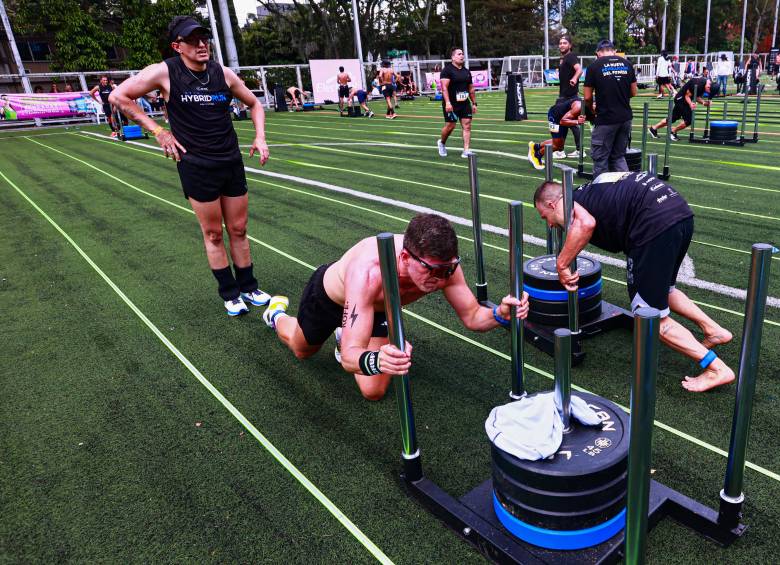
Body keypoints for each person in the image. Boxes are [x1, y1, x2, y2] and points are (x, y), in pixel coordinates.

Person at [261, 214, 530, 401]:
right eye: (432, 270)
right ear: (404, 257)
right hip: (331, 297)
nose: (439, 278)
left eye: (447, 268)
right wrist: (376, 358)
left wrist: (500, 314)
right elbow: (351, 357)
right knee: (301, 350)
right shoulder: (369, 272)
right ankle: (277, 314)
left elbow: (473, 317)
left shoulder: (445, 268)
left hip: (378, 308)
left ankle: (349, 331)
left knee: (373, 391)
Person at [109, 15, 272, 316]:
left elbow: (254, 103)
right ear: (177, 45)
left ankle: (249, 287)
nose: (201, 44)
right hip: (196, 165)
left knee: (238, 228)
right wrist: (158, 132)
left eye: (204, 38)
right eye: (192, 39)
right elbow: (118, 96)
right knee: (212, 233)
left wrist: (260, 136)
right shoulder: (164, 72)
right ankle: (230, 293)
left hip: (230, 160)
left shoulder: (222, 73)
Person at [534, 175, 735, 393]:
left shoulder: (567, 202)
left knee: (648, 317)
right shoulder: (590, 192)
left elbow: (586, 223)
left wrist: (562, 265)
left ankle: (716, 368)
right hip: (680, 213)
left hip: (652, 225)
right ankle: (713, 330)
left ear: (553, 204)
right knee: (664, 290)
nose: (551, 224)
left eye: (545, 216)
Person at [583, 39, 637, 178]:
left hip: (605, 119)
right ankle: (626, 190)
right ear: (614, 51)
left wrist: (591, 110)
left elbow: (587, 97)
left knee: (600, 160)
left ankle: (602, 194)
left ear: (598, 53)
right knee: (618, 157)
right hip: (625, 118)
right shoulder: (627, 64)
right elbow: (633, 92)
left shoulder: (594, 67)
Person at [648, 77, 719, 141]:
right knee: (689, 120)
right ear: (708, 87)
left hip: (682, 99)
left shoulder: (707, 85)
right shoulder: (699, 84)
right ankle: (672, 132)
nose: (707, 93)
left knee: (672, 118)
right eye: (708, 91)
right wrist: (691, 104)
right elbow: (687, 96)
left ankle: (653, 129)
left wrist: (704, 103)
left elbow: (695, 96)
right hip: (681, 99)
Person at [437, 47, 477, 158]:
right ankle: (442, 143)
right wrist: (448, 103)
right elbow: (444, 88)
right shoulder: (447, 70)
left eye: (462, 54)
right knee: (450, 126)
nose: (462, 56)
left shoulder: (466, 72)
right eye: (459, 54)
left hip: (464, 103)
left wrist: (474, 103)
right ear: (453, 57)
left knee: (467, 125)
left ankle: (466, 150)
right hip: (452, 103)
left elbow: (471, 89)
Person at [528, 97, 586, 170]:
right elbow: (563, 121)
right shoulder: (578, 106)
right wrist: (577, 122)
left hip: (563, 117)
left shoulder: (592, 107)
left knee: (559, 145)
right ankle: (537, 155)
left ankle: (535, 146)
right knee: (557, 145)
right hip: (555, 116)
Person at [555, 35, 584, 158]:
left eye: (565, 43)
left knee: (563, 122)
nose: (562, 45)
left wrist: (574, 78)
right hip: (566, 96)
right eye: (560, 43)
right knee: (568, 123)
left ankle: (561, 151)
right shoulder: (564, 59)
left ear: (570, 45)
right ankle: (578, 150)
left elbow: (579, 70)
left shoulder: (570, 57)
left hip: (568, 97)